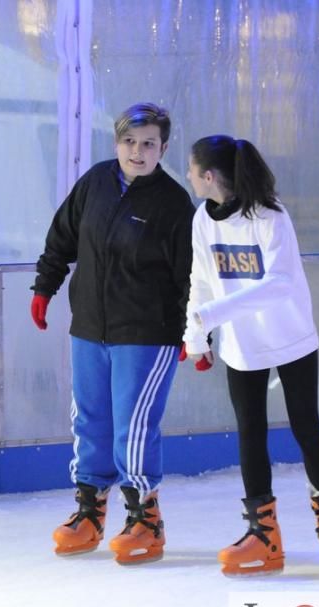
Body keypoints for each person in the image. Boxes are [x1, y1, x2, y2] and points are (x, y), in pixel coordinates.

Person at [31, 103, 196, 564]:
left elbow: (189, 273)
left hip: (146, 332)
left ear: (163, 148)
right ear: (116, 142)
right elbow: (61, 237)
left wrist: (192, 330)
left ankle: (145, 518)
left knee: (134, 426)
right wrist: (46, 286)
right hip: (89, 326)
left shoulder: (172, 202)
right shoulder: (96, 183)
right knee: (89, 419)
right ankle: (89, 509)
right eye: (129, 142)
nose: (137, 152)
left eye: (148, 144)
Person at [183, 136, 319, 575]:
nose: (187, 176)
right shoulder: (203, 219)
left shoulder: (269, 215)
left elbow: (278, 284)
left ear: (208, 176)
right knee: (249, 434)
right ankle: (264, 536)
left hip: (291, 336)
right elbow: (200, 279)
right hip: (243, 345)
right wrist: (197, 337)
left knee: (305, 427)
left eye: (191, 168)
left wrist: (212, 315)